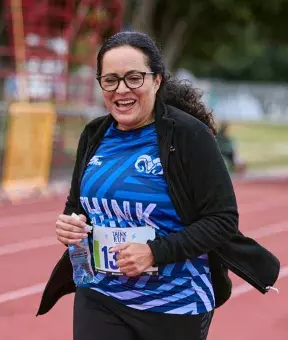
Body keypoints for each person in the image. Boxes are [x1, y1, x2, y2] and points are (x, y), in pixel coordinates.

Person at [36, 32, 280, 340]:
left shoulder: (189, 137)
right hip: (100, 295)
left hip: (175, 304)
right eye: (110, 80)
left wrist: (154, 252)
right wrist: (70, 225)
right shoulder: (94, 135)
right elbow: (78, 206)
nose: (121, 89)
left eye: (134, 78)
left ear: (156, 81)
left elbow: (222, 220)